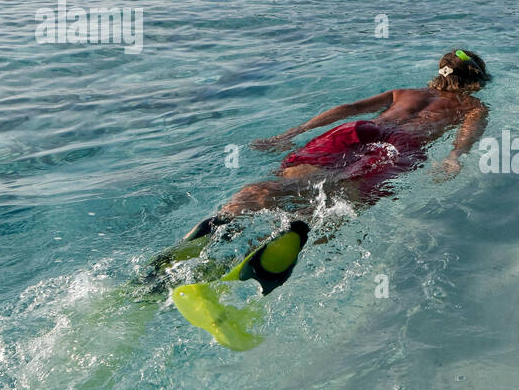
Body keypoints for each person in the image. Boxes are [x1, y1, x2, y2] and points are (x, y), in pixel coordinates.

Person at [179, 49, 490, 245]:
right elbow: (468, 134)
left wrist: (295, 131)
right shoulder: (472, 106)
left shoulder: (401, 92)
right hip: (400, 147)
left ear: (440, 71)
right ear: (476, 80)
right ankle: (269, 245)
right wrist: (454, 156)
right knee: (341, 202)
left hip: (360, 130)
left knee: (290, 183)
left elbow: (349, 108)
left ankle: (228, 216)